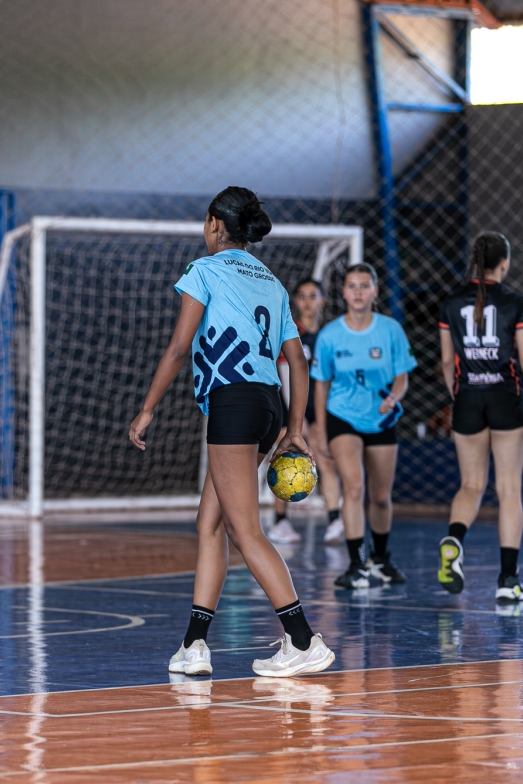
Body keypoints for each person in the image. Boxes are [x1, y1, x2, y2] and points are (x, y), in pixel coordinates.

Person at [129, 186, 335, 678]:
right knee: (210, 522)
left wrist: (147, 409)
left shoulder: (204, 271)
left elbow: (179, 348)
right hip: (267, 406)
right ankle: (194, 645)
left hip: (234, 403)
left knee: (245, 531)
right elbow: (298, 361)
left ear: (214, 224)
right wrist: (293, 428)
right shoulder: (271, 281)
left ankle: (303, 640)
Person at [438, 233, 523, 603]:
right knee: (508, 490)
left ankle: (454, 538)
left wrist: (458, 394)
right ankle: (508, 580)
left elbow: (446, 361)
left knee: (471, 484)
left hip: (467, 398)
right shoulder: (516, 302)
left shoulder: (452, 300)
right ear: (505, 263)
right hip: (505, 398)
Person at [311, 263, 416, 589]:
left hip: (382, 418)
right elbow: (321, 384)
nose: (358, 292)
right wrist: (320, 428)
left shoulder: (390, 330)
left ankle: (380, 560)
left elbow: (402, 376)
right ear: (343, 293)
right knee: (354, 488)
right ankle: (357, 564)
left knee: (380, 497)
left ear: (375, 291)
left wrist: (394, 396)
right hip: (343, 417)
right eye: (352, 286)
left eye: (364, 286)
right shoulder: (330, 335)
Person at [267, 279, 343, 546]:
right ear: (296, 301)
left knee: (325, 458)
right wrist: (295, 422)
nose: (308, 302)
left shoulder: (328, 335)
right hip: (289, 407)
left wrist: (322, 419)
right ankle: (280, 522)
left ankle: (335, 519)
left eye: (313, 296)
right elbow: (285, 374)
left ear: (323, 300)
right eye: (303, 296)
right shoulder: (291, 331)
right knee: (286, 459)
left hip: (318, 407)